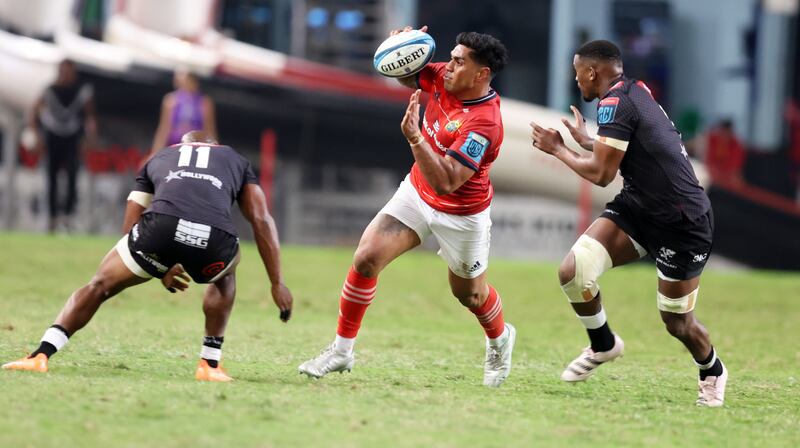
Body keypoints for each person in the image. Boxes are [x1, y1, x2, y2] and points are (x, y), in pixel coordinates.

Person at [298, 28, 516, 387]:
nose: (448, 66)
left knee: (470, 294)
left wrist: (415, 138)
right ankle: (341, 351)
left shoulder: (485, 123)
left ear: (481, 75)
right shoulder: (447, 76)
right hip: (416, 192)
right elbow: (407, 74)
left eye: (459, 61)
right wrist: (401, 47)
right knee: (366, 257)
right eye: (452, 56)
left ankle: (499, 338)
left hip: (461, 212)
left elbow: (448, 180)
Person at [3, 131, 293, 382]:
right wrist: (276, 282)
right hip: (212, 240)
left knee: (99, 285)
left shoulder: (158, 158)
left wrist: (158, 265)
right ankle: (209, 363)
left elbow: (130, 225)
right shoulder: (235, 160)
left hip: (159, 230)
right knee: (225, 276)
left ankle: (41, 354)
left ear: (182, 145)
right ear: (215, 146)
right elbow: (261, 219)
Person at [530, 40, 727, 406]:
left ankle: (712, 369)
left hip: (682, 223)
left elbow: (603, 174)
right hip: (639, 208)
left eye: (578, 75)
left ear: (592, 72)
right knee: (574, 271)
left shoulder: (615, 102)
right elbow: (633, 146)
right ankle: (603, 344)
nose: (578, 83)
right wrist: (590, 141)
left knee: (676, 322)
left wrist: (559, 148)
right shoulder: (634, 91)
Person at [29, 59, 98, 232]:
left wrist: (90, 138)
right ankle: (52, 218)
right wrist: (36, 136)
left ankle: (68, 216)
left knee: (72, 177)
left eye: (70, 72)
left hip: (73, 139)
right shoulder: (49, 90)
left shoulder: (82, 91)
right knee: (51, 178)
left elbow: (90, 117)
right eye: (63, 71)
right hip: (52, 138)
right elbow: (34, 112)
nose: (66, 75)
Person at [150, 70, 217, 155]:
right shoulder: (171, 100)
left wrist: (214, 152)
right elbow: (164, 128)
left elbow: (210, 130)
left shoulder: (204, 102)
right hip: (175, 146)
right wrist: (155, 152)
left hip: (196, 147)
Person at [704, 119, 746, 184]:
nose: (724, 135)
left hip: (728, 178)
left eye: (726, 132)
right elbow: (709, 160)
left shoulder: (736, 145)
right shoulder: (714, 140)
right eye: (722, 132)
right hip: (714, 176)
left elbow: (735, 167)